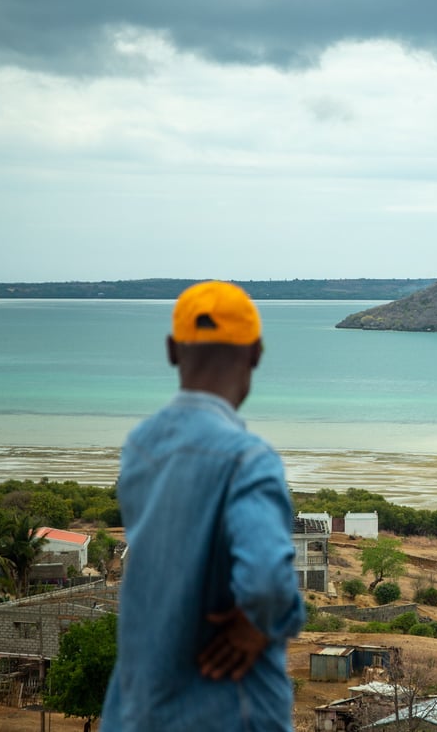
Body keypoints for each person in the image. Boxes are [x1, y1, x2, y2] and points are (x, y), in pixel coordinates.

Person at [101, 281, 305, 731]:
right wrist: (262, 622)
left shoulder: (142, 447)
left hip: (137, 707)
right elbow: (268, 581)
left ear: (173, 350)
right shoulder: (248, 460)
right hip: (229, 709)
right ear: (255, 353)